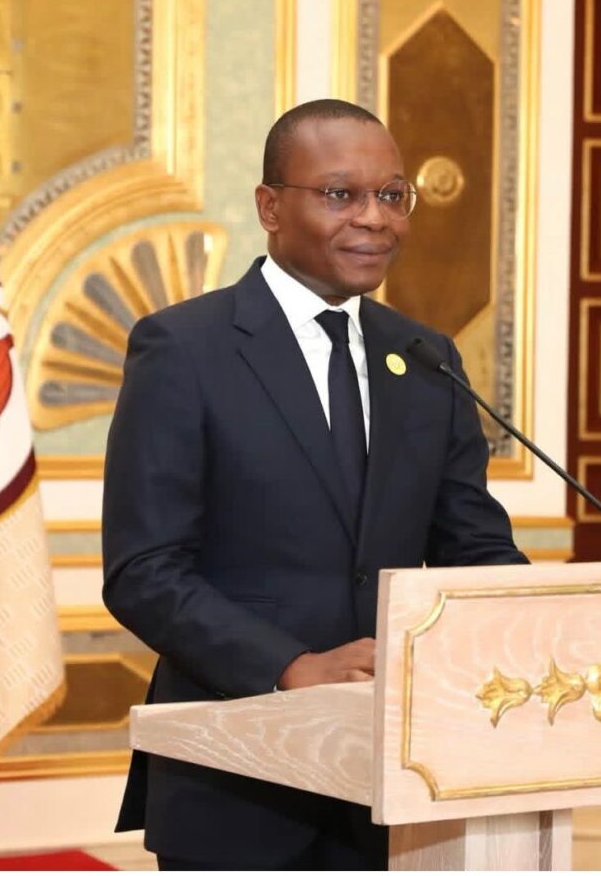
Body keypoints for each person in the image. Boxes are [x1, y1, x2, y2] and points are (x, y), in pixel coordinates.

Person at [101, 99, 528, 871]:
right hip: (238, 775)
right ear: (271, 207)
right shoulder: (184, 348)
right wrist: (290, 665)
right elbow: (145, 571)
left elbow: (472, 548)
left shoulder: (424, 358)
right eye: (341, 194)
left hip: (399, 776)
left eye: (392, 195)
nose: (375, 218)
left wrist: (548, 624)